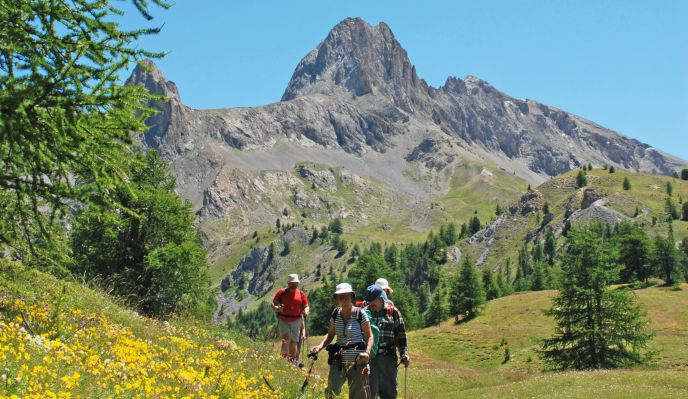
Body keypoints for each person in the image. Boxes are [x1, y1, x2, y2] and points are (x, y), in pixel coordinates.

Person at [311, 283, 374, 399]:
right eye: (340, 296)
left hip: (358, 360)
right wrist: (319, 347)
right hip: (338, 358)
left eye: (346, 295)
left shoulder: (361, 313)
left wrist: (367, 352)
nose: (343, 299)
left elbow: (370, 336)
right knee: (332, 391)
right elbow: (330, 335)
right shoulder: (336, 314)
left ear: (351, 296)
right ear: (336, 299)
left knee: (358, 394)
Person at [364, 284, 410, 399]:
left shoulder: (393, 312)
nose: (370, 304)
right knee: (369, 394)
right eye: (369, 301)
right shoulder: (364, 313)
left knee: (389, 394)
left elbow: (401, 336)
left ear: (380, 299)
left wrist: (404, 354)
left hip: (388, 359)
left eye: (373, 301)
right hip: (370, 360)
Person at [272, 273, 309, 366]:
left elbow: (306, 306)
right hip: (284, 319)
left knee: (293, 341)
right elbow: (273, 303)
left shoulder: (301, 294)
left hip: (296, 320)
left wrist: (306, 311)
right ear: (288, 283)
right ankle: (283, 360)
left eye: (296, 283)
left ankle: (293, 362)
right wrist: (277, 308)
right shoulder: (281, 292)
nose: (294, 285)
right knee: (286, 338)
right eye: (292, 283)